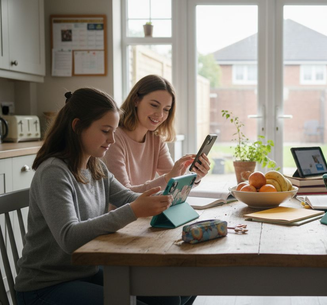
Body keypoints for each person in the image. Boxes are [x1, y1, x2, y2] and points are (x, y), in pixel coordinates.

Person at [15, 89, 195, 305]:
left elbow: (128, 197)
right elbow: (69, 238)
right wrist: (135, 210)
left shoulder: (96, 166)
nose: (112, 139)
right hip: (45, 287)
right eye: (105, 131)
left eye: (114, 131)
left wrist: (162, 197)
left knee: (172, 295)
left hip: (84, 273)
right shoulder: (54, 172)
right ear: (77, 126)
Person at [104, 74, 210, 193]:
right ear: (136, 100)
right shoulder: (113, 139)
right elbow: (123, 195)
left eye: (166, 109)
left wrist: (194, 177)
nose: (160, 115)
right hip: (123, 211)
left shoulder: (156, 140)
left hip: (145, 210)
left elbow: (174, 184)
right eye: (154, 105)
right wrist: (167, 178)